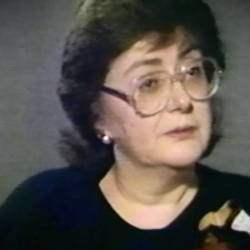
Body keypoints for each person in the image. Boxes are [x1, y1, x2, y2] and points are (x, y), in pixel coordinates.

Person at [1, 0, 250, 249]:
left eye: (193, 71)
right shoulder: (40, 211)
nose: (183, 100)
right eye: (149, 83)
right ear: (97, 115)